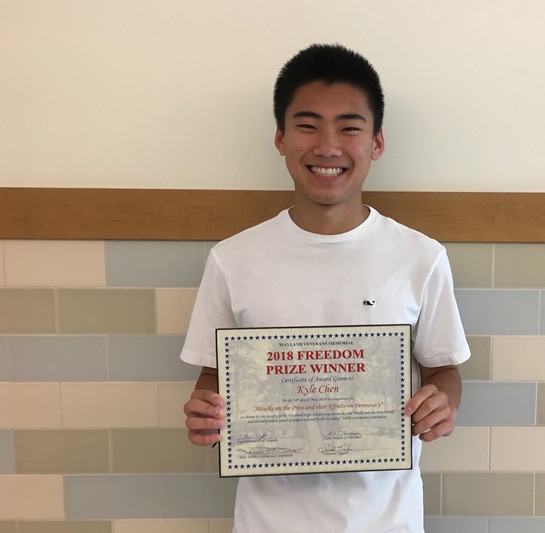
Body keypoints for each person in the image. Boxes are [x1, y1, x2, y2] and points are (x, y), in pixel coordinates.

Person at [181, 43, 470, 533]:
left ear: (377, 142)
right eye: (308, 125)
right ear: (280, 137)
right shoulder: (233, 259)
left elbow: (443, 369)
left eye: (350, 127)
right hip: (268, 521)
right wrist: (205, 414)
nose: (328, 146)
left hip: (386, 519)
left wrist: (442, 403)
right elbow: (214, 377)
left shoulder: (420, 257)